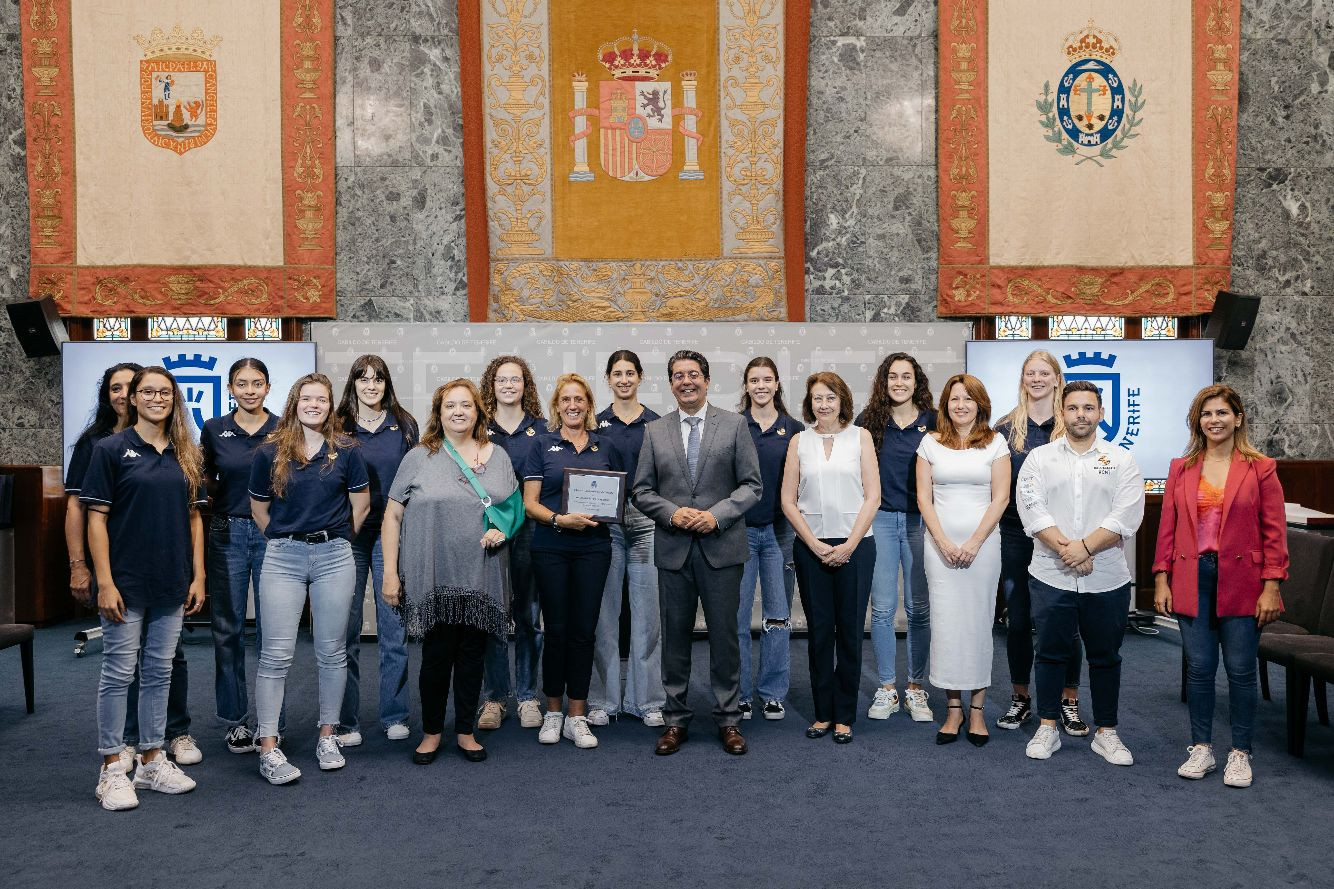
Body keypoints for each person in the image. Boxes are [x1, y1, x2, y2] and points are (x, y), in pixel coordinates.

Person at [81, 366, 206, 810]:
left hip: (171, 581)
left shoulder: (185, 452)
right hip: (126, 582)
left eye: (165, 392)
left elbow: (194, 518)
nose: (157, 398)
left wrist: (199, 576)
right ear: (132, 398)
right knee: (118, 674)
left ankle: (152, 759)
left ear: (175, 398)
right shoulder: (111, 449)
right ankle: (113, 767)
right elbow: (95, 519)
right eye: (148, 391)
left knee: (159, 672)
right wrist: (105, 582)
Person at [1154, 384, 1288, 788]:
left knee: (1242, 670)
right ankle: (1201, 748)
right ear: (1198, 421)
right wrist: (1161, 578)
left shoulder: (1260, 467)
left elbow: (1274, 532)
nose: (1214, 420)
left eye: (1222, 413)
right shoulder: (1182, 466)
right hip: (1192, 577)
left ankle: (1240, 753)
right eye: (1207, 414)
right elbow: (1168, 528)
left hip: (1244, 580)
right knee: (1199, 668)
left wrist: (1271, 586)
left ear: (1238, 418)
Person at [632, 350, 762, 756]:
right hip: (673, 550)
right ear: (670, 384)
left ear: (706, 380)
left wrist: (716, 516)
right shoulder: (655, 431)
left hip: (722, 548)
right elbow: (641, 491)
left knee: (725, 639)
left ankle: (728, 720)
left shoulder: (735, 425)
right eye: (677, 376)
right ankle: (675, 721)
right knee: (674, 641)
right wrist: (672, 513)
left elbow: (751, 486)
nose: (685, 381)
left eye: (693, 375)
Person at [381, 380, 517, 765]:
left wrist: (501, 529)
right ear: (438, 414)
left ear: (478, 411)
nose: (458, 411)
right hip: (432, 574)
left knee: (473, 655)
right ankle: (431, 732)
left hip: (481, 572)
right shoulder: (419, 456)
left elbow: (512, 510)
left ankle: (466, 732)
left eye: (465, 405)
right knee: (437, 656)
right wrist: (391, 572)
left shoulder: (499, 456)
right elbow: (392, 515)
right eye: (449, 406)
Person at [249, 374, 370, 784]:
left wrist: (331, 539)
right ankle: (268, 748)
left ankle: (327, 736)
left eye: (322, 399)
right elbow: (259, 509)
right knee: (275, 655)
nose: (314, 405)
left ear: (331, 404)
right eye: (307, 398)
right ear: (294, 403)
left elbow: (361, 505)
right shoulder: (269, 452)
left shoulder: (347, 451)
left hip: (335, 556)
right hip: (283, 556)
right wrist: (290, 540)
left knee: (332, 651)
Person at [1017, 381, 1145, 765]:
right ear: (1062, 412)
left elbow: (1126, 516)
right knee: (1051, 653)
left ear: (1101, 413)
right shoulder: (1040, 458)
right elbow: (1031, 509)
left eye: (1089, 408)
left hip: (1106, 578)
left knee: (1106, 656)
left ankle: (1107, 732)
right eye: (1073, 408)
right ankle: (1047, 727)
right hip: (1051, 574)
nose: (1081, 415)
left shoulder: (1122, 460)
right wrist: (1068, 549)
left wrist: (1086, 547)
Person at [781, 372, 880, 743]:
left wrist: (851, 544)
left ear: (842, 401)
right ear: (810, 402)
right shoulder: (798, 441)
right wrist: (813, 543)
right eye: (818, 398)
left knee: (850, 633)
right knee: (820, 632)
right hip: (811, 547)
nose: (824, 404)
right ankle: (822, 713)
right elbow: (788, 501)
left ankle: (844, 715)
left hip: (856, 545)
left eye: (831, 397)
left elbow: (873, 496)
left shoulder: (861, 437)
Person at [993, 350, 1087, 734]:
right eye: (1029, 372)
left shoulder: (1072, 425)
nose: (1036, 379)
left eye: (1043, 372)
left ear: (1056, 378)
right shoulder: (1004, 428)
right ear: (1023, 379)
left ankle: (1069, 701)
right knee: (1018, 621)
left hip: (1062, 537)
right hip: (1016, 534)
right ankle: (1021, 698)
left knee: (1066, 622)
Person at [521, 373, 617, 749]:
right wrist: (562, 519)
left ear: (589, 405)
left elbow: (618, 496)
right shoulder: (541, 445)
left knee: (584, 630)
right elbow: (530, 504)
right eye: (566, 400)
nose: (573, 406)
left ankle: (577, 715)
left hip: (594, 548)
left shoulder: (604, 447)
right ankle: (554, 711)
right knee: (556, 629)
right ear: (556, 406)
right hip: (552, 545)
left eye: (580, 399)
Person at [916, 373, 1009, 747]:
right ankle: (953, 709)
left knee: (977, 623)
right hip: (938, 547)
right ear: (945, 404)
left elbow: (1000, 498)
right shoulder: (930, 443)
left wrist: (972, 543)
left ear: (980, 404)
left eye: (968, 399)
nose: (961, 405)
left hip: (983, 547)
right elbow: (924, 498)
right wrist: (943, 542)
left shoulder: (996, 443)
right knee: (946, 624)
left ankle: (977, 710)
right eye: (955, 399)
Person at [334, 356, 418, 747]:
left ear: (387, 384)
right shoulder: (337, 426)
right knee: (345, 631)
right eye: (363, 379)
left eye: (378, 379)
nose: (371, 385)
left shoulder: (403, 424)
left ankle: (395, 714)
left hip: (392, 533)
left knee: (393, 628)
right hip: (348, 534)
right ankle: (346, 721)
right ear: (352, 383)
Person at [202, 358, 280, 754]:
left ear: (268, 387)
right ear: (230, 388)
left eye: (257, 383)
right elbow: (206, 480)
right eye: (242, 383)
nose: (250, 390)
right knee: (228, 630)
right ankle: (235, 721)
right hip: (227, 532)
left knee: (272, 631)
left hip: (273, 534)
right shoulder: (214, 429)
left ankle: (270, 721)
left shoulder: (284, 428)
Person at [857, 352, 936, 723]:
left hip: (923, 522)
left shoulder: (935, 423)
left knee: (919, 608)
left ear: (916, 381)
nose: (899, 382)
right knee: (884, 609)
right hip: (883, 520)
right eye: (893, 376)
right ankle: (887, 687)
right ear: (883, 381)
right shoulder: (868, 422)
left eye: (906, 376)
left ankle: (916, 689)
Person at [588, 350, 665, 727]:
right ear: (608, 378)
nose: (623, 379)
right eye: (616, 373)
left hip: (648, 523)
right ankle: (603, 701)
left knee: (648, 615)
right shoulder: (595, 424)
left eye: (629, 373)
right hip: (608, 523)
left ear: (640, 377)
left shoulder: (657, 424)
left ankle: (647, 701)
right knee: (604, 614)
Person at [477, 355, 546, 731]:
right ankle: (493, 698)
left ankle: (527, 696)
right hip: (488, 532)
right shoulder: (477, 427)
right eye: (501, 379)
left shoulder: (542, 429)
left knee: (528, 618)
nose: (508, 385)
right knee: (491, 616)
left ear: (525, 385)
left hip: (530, 532)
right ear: (492, 384)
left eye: (515, 379)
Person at [737, 357, 804, 721]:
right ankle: (741, 693)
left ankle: (773, 692)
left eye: (767, 379)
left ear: (777, 384)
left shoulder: (794, 428)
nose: (761, 386)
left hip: (781, 532)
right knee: (737, 616)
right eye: (754, 380)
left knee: (778, 617)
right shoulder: (733, 426)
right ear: (745, 386)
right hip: (740, 531)